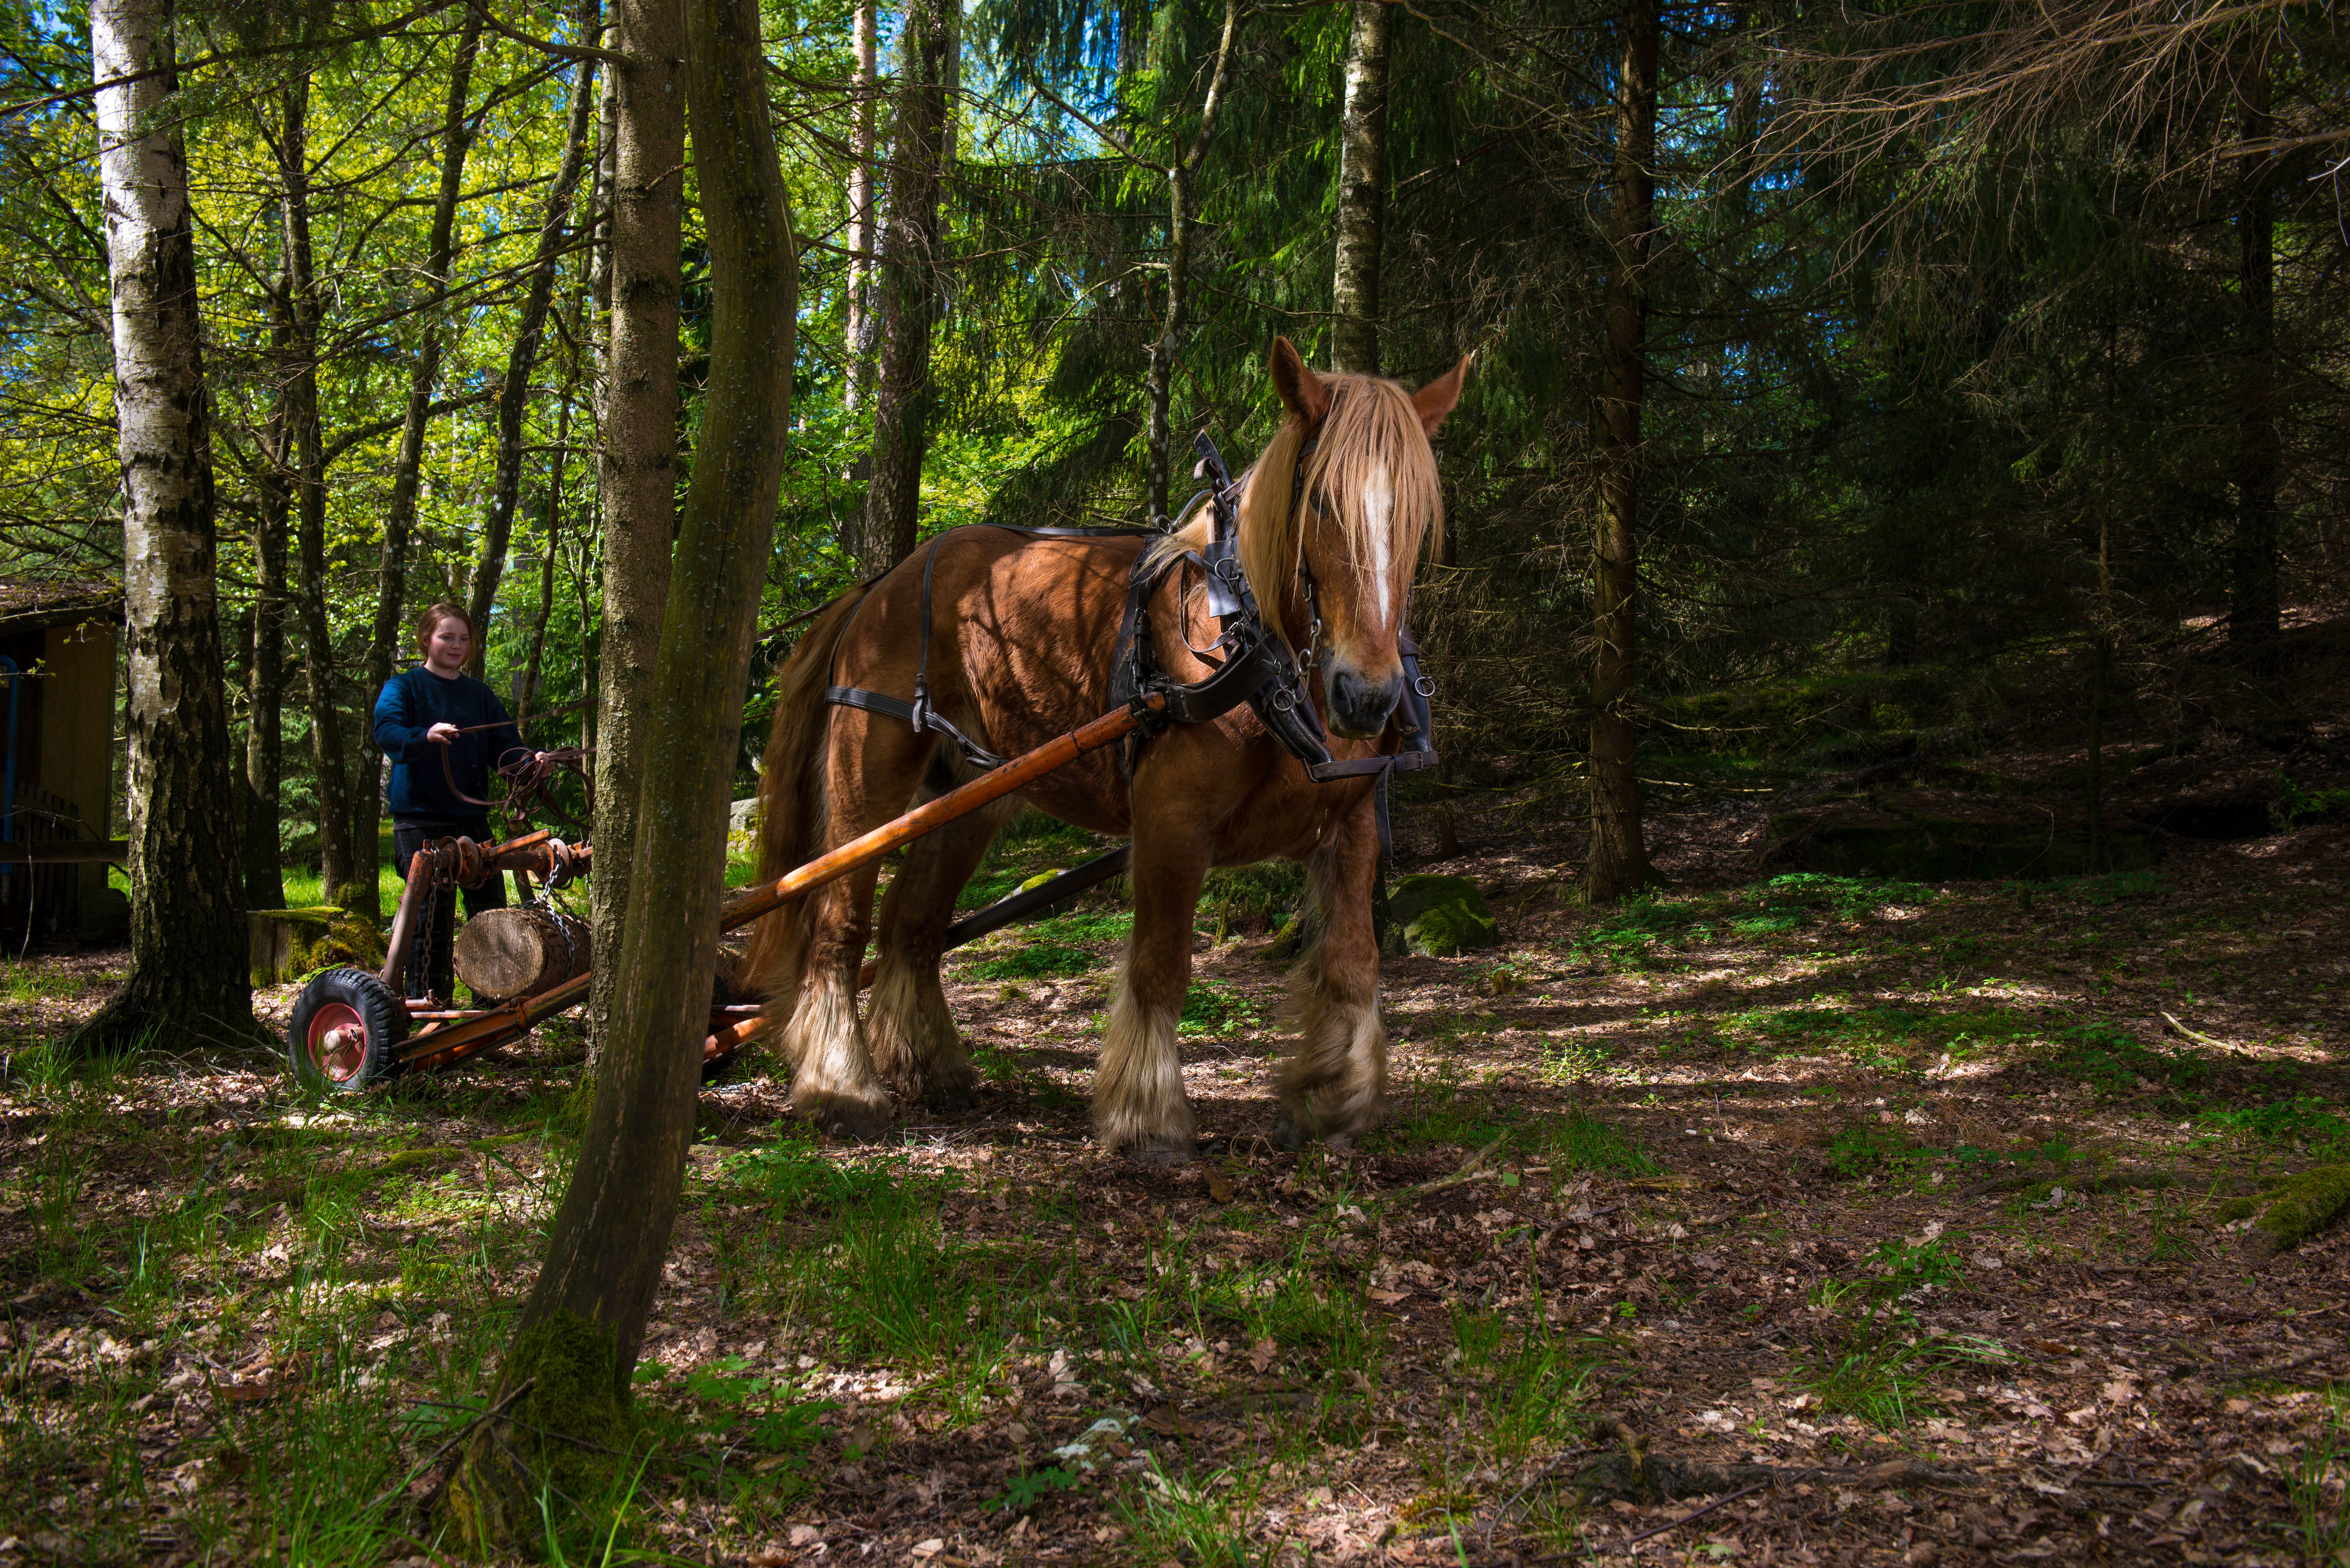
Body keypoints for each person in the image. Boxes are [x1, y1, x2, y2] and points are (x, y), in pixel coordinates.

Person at [373, 603, 538, 999]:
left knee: (491, 914)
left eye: (464, 639)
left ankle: (495, 1006)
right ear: (427, 638)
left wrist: (530, 764)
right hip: (420, 822)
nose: (456, 645)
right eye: (447, 636)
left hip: (472, 822)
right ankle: (428, 1007)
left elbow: (506, 749)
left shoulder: (479, 695)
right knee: (429, 918)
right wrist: (424, 736)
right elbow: (388, 731)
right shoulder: (404, 687)